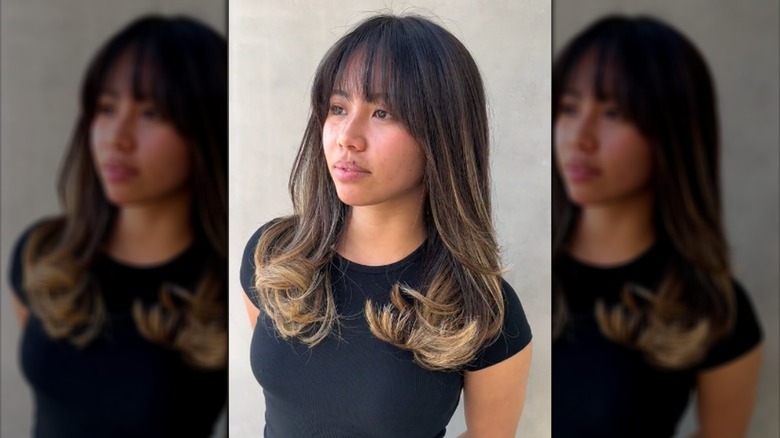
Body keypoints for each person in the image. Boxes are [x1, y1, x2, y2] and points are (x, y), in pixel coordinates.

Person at [240, 14, 533, 438]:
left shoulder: (483, 310)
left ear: (442, 132)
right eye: (338, 108)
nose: (347, 136)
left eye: (383, 112)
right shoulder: (273, 256)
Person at [8, 15, 227, 438]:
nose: (117, 137)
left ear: (203, 129)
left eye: (151, 112)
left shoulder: (222, 288)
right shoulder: (43, 255)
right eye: (107, 109)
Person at [552, 15, 763, 438]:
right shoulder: (518, 269)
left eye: (613, 112)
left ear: (670, 132)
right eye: (570, 108)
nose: (580, 137)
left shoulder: (712, 308)